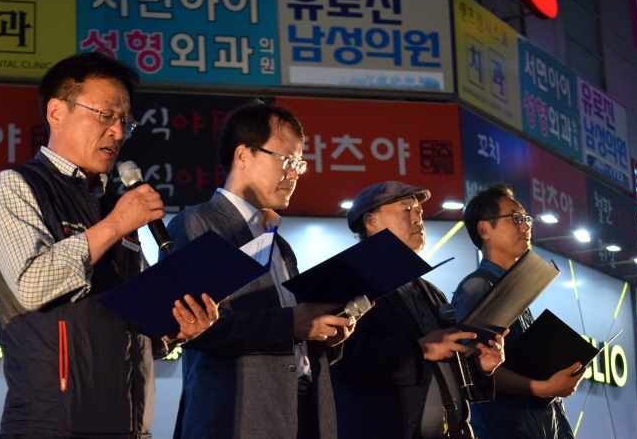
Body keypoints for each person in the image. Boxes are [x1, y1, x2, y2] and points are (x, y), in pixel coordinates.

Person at [0, 52, 218, 439]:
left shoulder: (113, 205)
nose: (119, 132)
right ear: (57, 112)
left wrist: (173, 333)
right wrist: (115, 224)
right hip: (52, 425)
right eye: (105, 115)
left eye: (126, 121)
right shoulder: (16, 185)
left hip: (129, 425)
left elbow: (126, 326)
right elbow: (32, 283)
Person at [163, 100, 357, 439]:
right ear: (243, 156)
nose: (295, 172)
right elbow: (191, 325)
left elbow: (296, 331)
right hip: (239, 414)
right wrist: (293, 323)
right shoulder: (197, 223)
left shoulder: (280, 244)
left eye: (299, 162)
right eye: (286, 160)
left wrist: (327, 335)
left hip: (306, 411)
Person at [333, 180, 507, 439]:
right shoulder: (347, 282)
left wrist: (480, 366)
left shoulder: (429, 290)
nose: (418, 219)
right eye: (406, 210)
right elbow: (345, 360)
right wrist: (421, 349)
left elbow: (447, 367)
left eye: (420, 212)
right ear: (371, 222)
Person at [452, 183, 585, 439]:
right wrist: (542, 387)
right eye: (515, 218)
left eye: (526, 219)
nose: (525, 226)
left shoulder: (512, 287)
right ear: (484, 228)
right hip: (505, 429)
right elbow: (475, 368)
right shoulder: (479, 287)